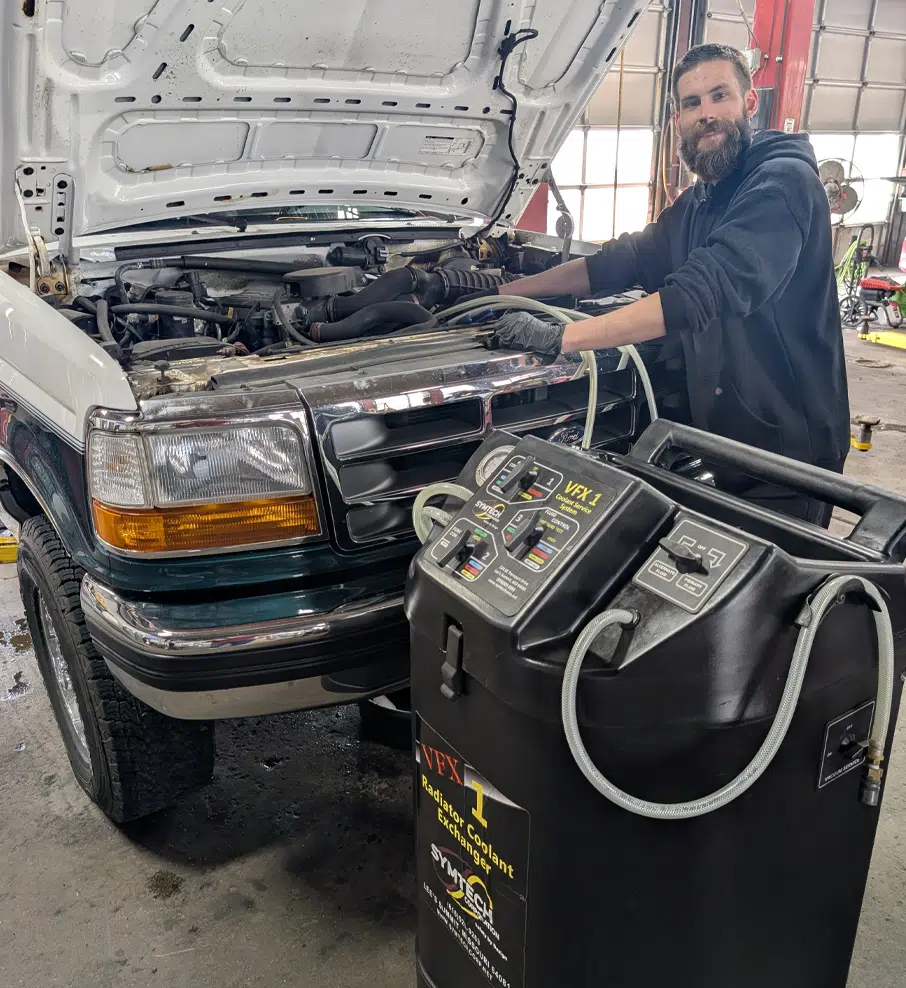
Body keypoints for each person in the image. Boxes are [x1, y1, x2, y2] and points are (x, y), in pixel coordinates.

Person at [488, 43, 850, 527]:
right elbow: (627, 259)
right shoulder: (703, 197)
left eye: (719, 96)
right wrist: (511, 291)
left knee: (766, 595)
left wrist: (562, 339)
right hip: (718, 440)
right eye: (691, 103)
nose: (706, 114)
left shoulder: (782, 184)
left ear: (749, 103)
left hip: (784, 455)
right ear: (677, 119)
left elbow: (701, 292)